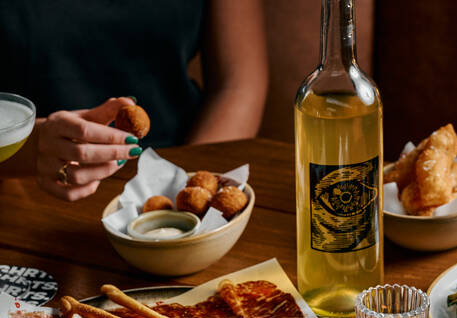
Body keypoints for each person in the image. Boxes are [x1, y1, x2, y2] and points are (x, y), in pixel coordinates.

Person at [0, 0, 268, 202]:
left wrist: (187, 189)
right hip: (27, 188)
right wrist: (30, 146)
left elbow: (237, 85)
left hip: (186, 161)